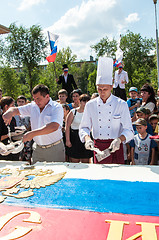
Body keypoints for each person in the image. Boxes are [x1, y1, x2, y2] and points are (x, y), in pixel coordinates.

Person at [79, 56, 134, 164]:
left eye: (105, 89)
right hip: (98, 148)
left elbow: (129, 130)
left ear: (111, 87)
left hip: (115, 147)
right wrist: (87, 139)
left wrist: (119, 140)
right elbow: (84, 127)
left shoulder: (121, 104)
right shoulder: (90, 105)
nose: (102, 92)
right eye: (99, 89)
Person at [3, 84, 65, 164]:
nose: (36, 101)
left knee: (56, 174)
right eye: (34, 99)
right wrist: (9, 112)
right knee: (36, 174)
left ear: (47, 96)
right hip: (37, 149)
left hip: (54, 149)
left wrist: (32, 134)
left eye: (38, 98)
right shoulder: (33, 106)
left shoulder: (56, 107)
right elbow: (16, 110)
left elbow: (54, 126)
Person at [65, 94, 93, 163]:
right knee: (74, 160)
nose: (85, 103)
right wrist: (68, 140)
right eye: (84, 101)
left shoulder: (90, 113)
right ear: (80, 101)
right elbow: (67, 127)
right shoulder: (73, 112)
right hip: (75, 138)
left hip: (86, 138)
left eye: (87, 101)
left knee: (86, 161)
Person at [0, 96, 19, 161]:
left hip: (14, 151)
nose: (14, 107)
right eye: (13, 105)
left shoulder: (13, 118)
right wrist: (9, 135)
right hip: (3, 153)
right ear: (6, 107)